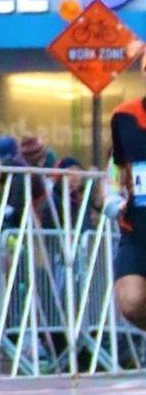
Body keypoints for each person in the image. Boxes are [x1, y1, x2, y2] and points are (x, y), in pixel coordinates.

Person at [111, 86, 146, 329]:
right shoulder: (124, 116)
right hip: (137, 224)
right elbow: (116, 163)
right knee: (131, 301)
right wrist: (111, 194)